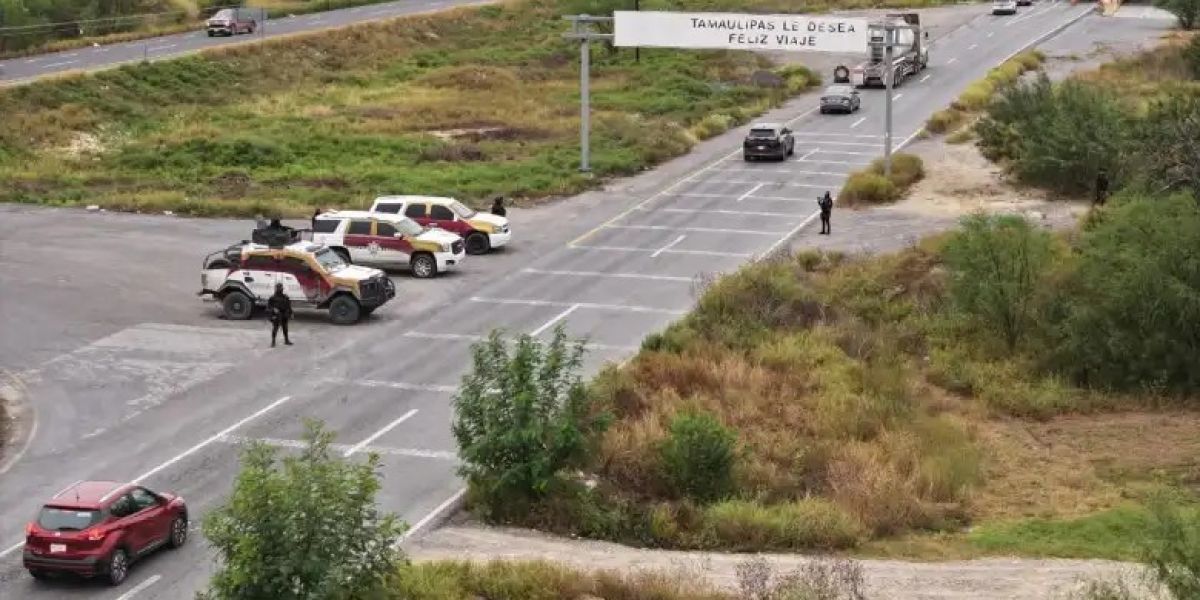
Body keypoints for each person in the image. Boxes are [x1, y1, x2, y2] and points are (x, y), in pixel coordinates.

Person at [267, 283, 293, 348]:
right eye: (278, 288)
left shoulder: (285, 297)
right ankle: (273, 342)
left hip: (284, 314)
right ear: (276, 289)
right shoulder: (272, 298)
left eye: (281, 288)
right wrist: (273, 309)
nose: (280, 289)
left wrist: (291, 313)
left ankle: (286, 340)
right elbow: (268, 307)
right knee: (275, 329)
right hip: (277, 315)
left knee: (285, 328)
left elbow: (289, 306)